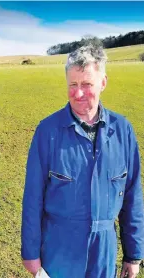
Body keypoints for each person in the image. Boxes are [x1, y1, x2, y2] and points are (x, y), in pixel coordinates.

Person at [21, 44, 144, 278]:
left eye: (87, 85)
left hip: (104, 252)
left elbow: (132, 196)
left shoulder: (123, 131)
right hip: (59, 252)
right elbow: (32, 198)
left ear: (103, 82)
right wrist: (30, 255)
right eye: (73, 85)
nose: (78, 94)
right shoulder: (48, 131)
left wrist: (133, 254)